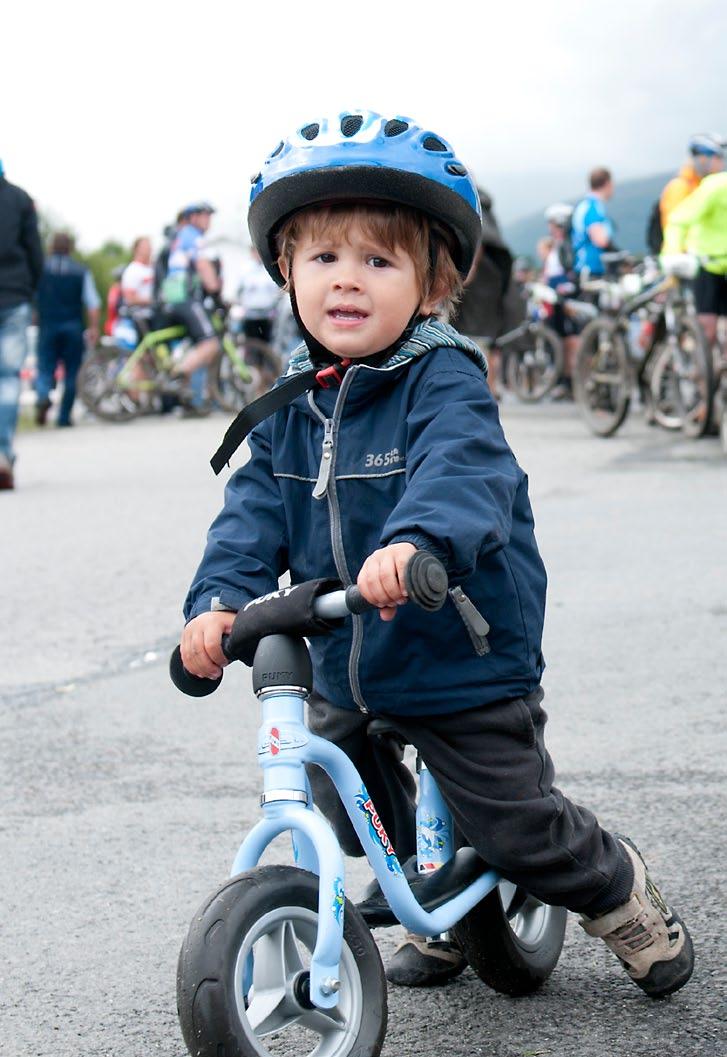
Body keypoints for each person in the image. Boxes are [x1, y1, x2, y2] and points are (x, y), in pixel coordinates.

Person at [180, 111, 693, 996]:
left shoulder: (444, 376)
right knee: (335, 778)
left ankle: (615, 888)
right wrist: (217, 602)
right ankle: (437, 897)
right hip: (349, 652)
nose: (348, 280)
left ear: (429, 284)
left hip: (459, 645)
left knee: (512, 820)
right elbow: (250, 515)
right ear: (286, 274)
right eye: (324, 259)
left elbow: (463, 473)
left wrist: (417, 543)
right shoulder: (286, 409)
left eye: (378, 261)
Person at [451, 187, 520, 400]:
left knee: (478, 341)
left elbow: (476, 244)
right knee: (484, 341)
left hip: (479, 286)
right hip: (491, 284)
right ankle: (485, 394)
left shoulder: (472, 206)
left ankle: (484, 396)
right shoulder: (485, 208)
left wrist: (462, 279)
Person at [0, 159, 43, 489]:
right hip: (13, 297)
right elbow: (35, 252)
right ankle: (2, 451)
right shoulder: (19, 199)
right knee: (8, 377)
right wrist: (30, 292)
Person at [35, 232, 100, 428]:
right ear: (70, 248)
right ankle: (64, 417)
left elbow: (32, 295)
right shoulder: (81, 271)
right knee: (72, 372)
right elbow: (93, 303)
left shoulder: (41, 269)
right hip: (72, 325)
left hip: (47, 324)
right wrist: (94, 327)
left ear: (51, 247)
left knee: (45, 366)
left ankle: (43, 394)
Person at [662, 165, 727, 351]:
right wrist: (672, 253)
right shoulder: (715, 187)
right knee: (708, 328)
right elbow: (679, 219)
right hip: (707, 264)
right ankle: (700, 375)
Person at [159, 202, 223, 389]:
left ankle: (182, 385)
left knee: (193, 343)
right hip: (185, 298)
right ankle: (176, 377)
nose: (209, 220)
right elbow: (203, 265)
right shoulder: (192, 236)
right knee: (210, 343)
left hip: (172, 298)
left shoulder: (180, 236)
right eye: (206, 215)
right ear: (193, 218)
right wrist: (215, 289)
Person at [660, 133, 725, 230]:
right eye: (718, 157)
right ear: (703, 158)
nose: (722, 163)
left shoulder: (709, 186)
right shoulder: (680, 187)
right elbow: (675, 227)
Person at [571, 168, 616, 278]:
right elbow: (600, 240)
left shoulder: (585, 205)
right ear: (607, 183)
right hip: (591, 269)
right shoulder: (593, 208)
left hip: (583, 267)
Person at [237, 247, 282, 345]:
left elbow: (277, 290)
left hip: (267, 315)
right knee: (252, 344)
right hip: (250, 315)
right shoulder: (245, 269)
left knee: (267, 344)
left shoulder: (270, 268)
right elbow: (239, 291)